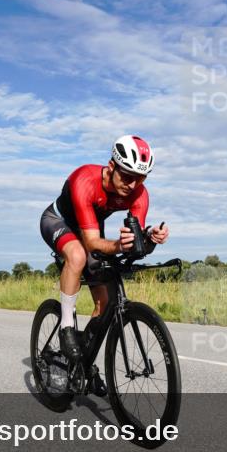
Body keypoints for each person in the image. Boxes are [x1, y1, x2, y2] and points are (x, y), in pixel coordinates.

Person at [39, 135, 169, 395]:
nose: (133, 184)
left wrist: (149, 239)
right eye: (127, 176)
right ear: (111, 166)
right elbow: (90, 243)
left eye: (141, 178)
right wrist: (120, 245)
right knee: (76, 256)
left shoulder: (139, 194)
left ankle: (84, 365)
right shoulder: (84, 180)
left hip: (92, 228)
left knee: (106, 303)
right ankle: (66, 327)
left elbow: (133, 244)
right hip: (59, 221)